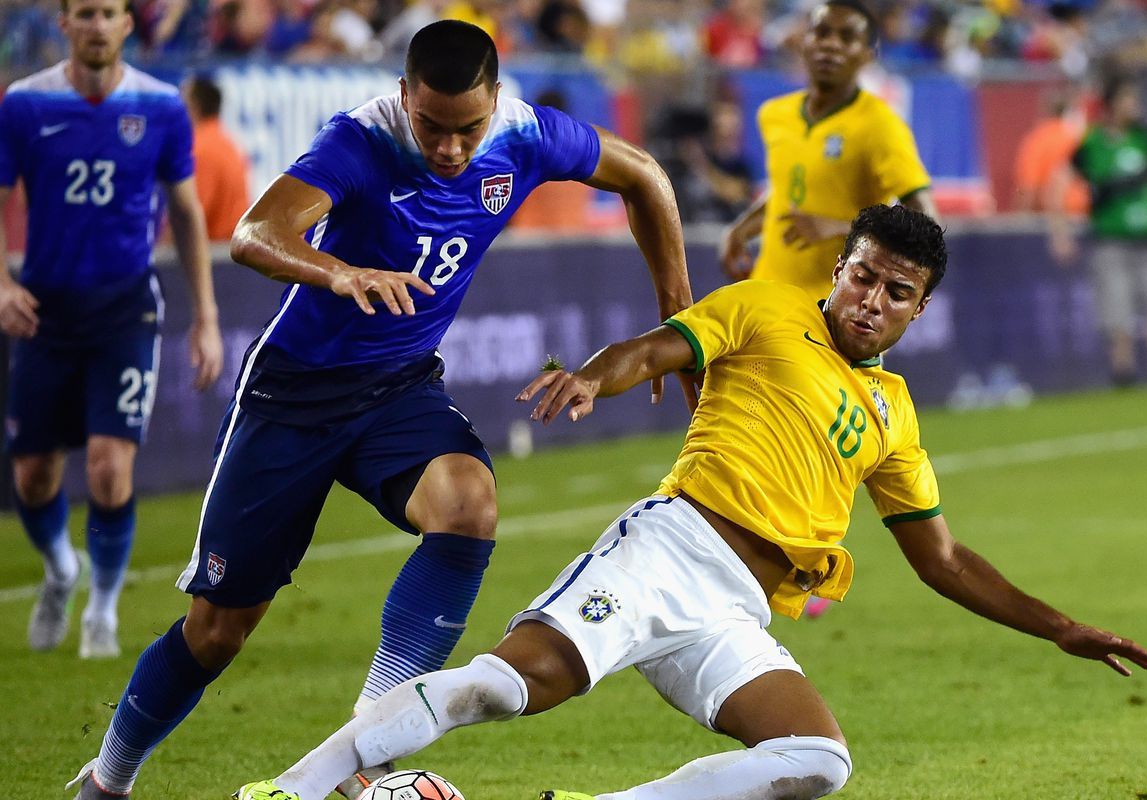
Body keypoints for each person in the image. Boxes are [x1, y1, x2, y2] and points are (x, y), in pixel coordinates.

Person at [234, 204, 1147, 800]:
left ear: (919, 310)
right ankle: (291, 789)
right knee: (504, 687)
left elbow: (943, 560)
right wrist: (594, 377)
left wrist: (1062, 627)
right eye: (864, 276)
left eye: (898, 292)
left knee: (816, 762)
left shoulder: (895, 414)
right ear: (839, 269)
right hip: (668, 551)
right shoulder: (764, 309)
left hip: (735, 611)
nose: (873, 299)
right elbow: (655, 348)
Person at [68, 19, 693, 800]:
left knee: (468, 503)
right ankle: (108, 779)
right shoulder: (361, 141)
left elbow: (645, 176)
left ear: (495, 102)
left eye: (469, 128)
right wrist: (339, 273)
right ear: (405, 97)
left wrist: (680, 321)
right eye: (432, 125)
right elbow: (256, 233)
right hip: (293, 395)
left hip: (397, 386)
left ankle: (364, 749)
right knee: (218, 631)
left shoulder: (528, 135)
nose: (451, 148)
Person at [0, 0, 223, 661]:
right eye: (85, 13)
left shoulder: (159, 107)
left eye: (109, 13)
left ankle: (101, 607)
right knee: (35, 475)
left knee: (108, 467)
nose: (97, 25)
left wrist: (205, 317)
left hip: (125, 309)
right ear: (63, 24)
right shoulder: (24, 105)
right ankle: (62, 570)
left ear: (128, 24)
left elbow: (185, 213)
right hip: (45, 309)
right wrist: (5, 284)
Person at [719, 0, 939, 301]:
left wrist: (841, 227)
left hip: (835, 312)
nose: (831, 45)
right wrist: (741, 230)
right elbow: (790, 191)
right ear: (803, 42)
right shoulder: (776, 114)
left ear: (867, 56)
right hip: (765, 297)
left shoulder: (880, 126)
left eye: (847, 38)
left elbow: (926, 222)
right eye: (821, 33)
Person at [1049, 76, 1147, 385]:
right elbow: (1060, 180)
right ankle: (1123, 371)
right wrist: (1060, 231)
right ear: (1110, 106)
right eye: (1128, 99)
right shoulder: (1094, 143)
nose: (1135, 106)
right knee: (1116, 307)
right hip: (1112, 239)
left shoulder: (1146, 138)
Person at [182, 74, 251, 241]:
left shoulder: (200, 149)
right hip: (232, 251)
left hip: (215, 254)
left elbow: (188, 218)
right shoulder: (229, 144)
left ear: (194, 107)